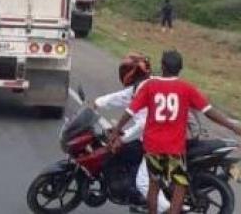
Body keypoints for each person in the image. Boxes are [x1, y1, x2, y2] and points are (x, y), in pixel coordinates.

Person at [110, 50, 241, 214]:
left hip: (153, 147)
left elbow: (130, 111)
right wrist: (233, 127)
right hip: (174, 149)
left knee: (153, 186)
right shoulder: (186, 88)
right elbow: (209, 111)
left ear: (162, 66)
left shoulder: (150, 86)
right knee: (180, 186)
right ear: (180, 69)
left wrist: (117, 130)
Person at [94, 53, 174, 213]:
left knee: (143, 182)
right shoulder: (143, 85)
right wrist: (96, 103)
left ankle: (167, 209)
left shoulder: (145, 89)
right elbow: (120, 97)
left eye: (125, 70)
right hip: (164, 135)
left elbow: (144, 125)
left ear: (131, 73)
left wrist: (122, 138)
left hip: (158, 141)